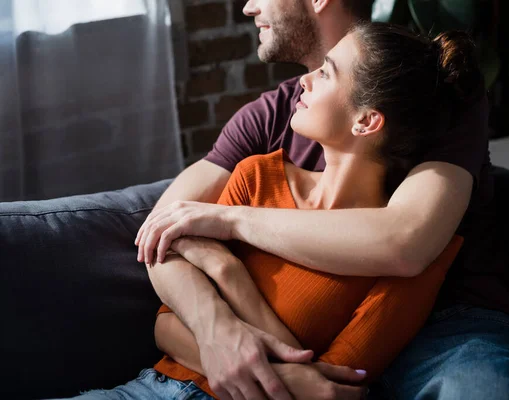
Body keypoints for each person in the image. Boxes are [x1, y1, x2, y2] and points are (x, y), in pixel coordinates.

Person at [134, 1, 509, 399]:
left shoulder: (430, 92)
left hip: (457, 321)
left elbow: (404, 243)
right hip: (301, 339)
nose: (248, 7)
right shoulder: (272, 116)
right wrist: (217, 328)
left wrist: (229, 224)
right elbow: (163, 230)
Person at [67, 23, 475, 400]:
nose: (304, 79)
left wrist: (232, 276)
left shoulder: (410, 262)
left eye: (327, 72)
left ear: (366, 121)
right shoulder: (257, 175)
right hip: (151, 389)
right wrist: (243, 352)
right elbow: (164, 326)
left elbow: (329, 389)